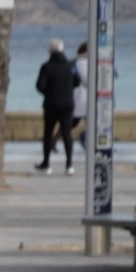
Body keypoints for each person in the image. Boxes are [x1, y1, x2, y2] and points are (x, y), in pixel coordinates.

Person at [35, 38, 79, 175]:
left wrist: (50, 92)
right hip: (67, 104)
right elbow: (77, 81)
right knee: (67, 133)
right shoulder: (70, 66)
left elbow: (40, 86)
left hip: (51, 104)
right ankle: (69, 164)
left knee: (48, 133)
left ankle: (46, 163)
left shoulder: (46, 67)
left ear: (50, 51)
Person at [71, 41, 88, 154]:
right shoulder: (82, 63)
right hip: (82, 97)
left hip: (79, 97)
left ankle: (53, 141)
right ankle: (84, 140)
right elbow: (86, 79)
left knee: (73, 122)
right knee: (74, 121)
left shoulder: (74, 61)